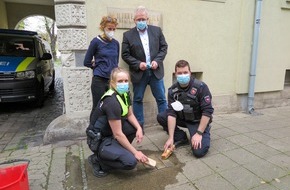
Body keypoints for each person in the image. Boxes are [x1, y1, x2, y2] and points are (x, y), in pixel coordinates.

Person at [86, 67, 148, 177]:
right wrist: (135, 152)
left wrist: (139, 128)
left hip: (110, 132)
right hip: (99, 139)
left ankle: (117, 150)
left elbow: (130, 114)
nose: (123, 84)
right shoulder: (111, 102)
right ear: (113, 83)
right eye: (120, 81)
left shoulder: (125, 94)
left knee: (138, 127)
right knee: (130, 162)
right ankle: (98, 159)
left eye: (126, 81)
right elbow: (118, 134)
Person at [121, 6, 168, 129]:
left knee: (161, 99)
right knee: (137, 99)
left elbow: (164, 48)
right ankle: (139, 126)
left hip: (155, 71)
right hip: (139, 73)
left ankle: (166, 124)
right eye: (138, 19)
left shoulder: (157, 31)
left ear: (147, 19)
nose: (141, 21)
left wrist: (157, 61)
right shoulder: (127, 35)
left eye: (143, 19)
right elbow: (125, 55)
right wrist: (138, 64)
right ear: (134, 20)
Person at [157, 60, 214, 158]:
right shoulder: (172, 91)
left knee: (199, 152)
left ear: (190, 73)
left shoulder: (201, 87)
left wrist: (199, 133)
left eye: (185, 72)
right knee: (162, 116)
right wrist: (171, 138)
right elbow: (171, 114)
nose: (182, 75)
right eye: (179, 73)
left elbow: (207, 111)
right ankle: (180, 137)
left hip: (197, 121)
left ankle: (204, 130)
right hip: (183, 118)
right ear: (175, 74)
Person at [84, 16, 119, 123]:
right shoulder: (96, 41)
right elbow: (86, 61)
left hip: (111, 81)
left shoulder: (116, 43)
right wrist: (97, 66)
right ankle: (92, 131)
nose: (111, 31)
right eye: (109, 28)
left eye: (113, 29)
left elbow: (115, 62)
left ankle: (107, 130)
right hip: (99, 80)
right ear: (103, 27)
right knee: (97, 106)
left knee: (111, 106)